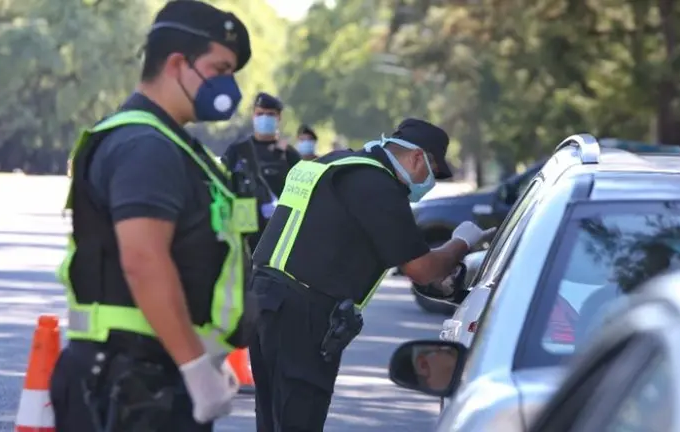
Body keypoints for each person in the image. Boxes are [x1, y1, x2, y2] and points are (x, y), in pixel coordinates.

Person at [50, 2, 259, 431]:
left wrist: (200, 355)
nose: (228, 85)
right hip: (130, 381)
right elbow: (144, 260)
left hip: (148, 372)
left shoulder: (172, 145)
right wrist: (195, 365)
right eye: (220, 69)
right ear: (177, 64)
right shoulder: (146, 146)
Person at [248, 118, 494, 431]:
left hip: (265, 300)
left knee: (272, 419)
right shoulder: (377, 184)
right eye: (433, 172)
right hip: (302, 314)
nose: (430, 182)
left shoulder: (334, 163)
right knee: (299, 419)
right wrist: (462, 242)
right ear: (417, 157)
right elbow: (422, 269)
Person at [223, 92, 301, 199]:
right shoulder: (237, 150)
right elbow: (222, 183)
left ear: (279, 117)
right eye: (260, 114)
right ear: (253, 116)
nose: (264, 118)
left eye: (270, 114)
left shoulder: (289, 154)